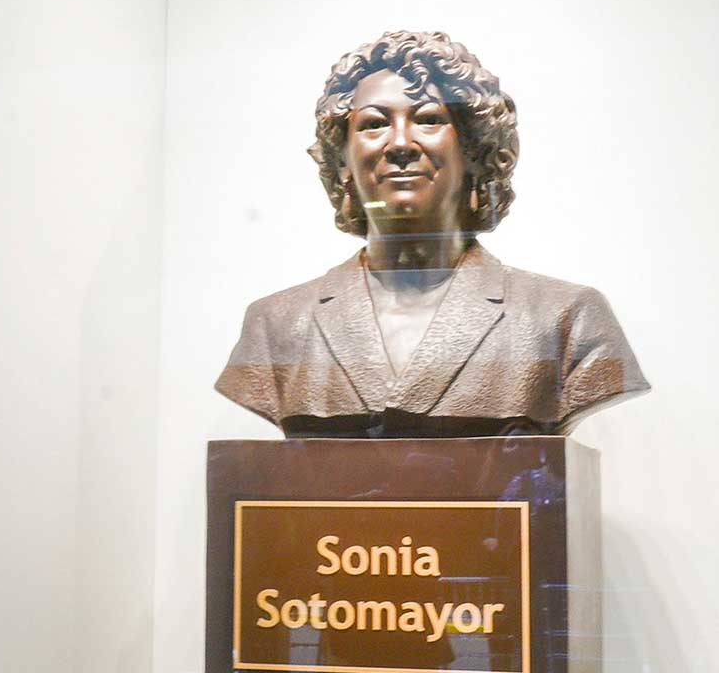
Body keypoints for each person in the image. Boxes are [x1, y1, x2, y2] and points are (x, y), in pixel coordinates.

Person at [215, 30, 648, 437]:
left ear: (474, 151)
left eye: (428, 119)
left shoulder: (566, 321)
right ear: (343, 161)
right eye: (373, 124)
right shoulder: (277, 326)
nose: (400, 143)